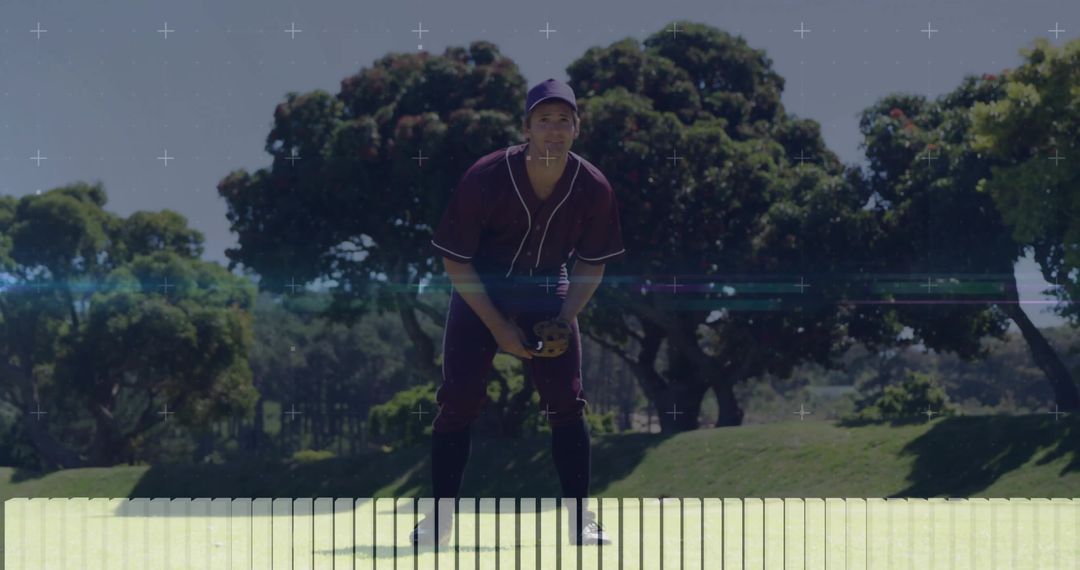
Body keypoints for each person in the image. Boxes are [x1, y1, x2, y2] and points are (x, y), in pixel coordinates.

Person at [414, 78, 626, 547]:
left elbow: (592, 262)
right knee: (458, 401)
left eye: (564, 121)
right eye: (544, 120)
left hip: (549, 286)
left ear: (577, 128)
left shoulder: (593, 187)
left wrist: (564, 318)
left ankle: (580, 522)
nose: (555, 129)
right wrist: (499, 327)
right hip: (482, 289)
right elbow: (455, 260)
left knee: (567, 403)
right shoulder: (486, 176)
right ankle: (438, 521)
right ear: (526, 127)